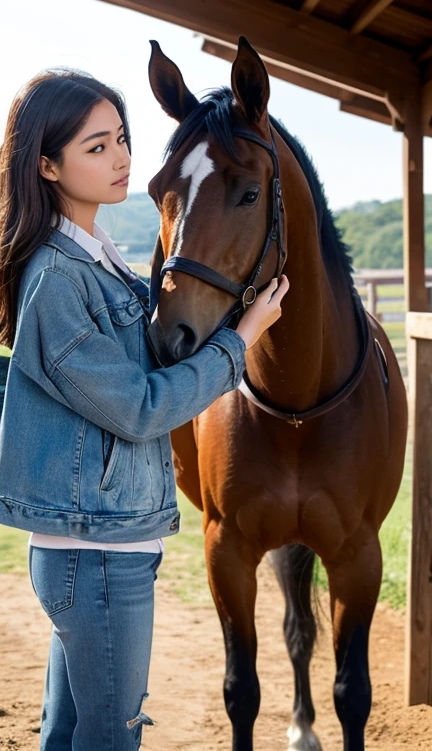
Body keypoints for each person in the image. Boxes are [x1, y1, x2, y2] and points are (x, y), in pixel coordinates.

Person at [0, 68, 289, 751]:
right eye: (96, 147)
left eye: (123, 139)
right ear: (46, 164)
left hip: (101, 546)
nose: (122, 157)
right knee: (110, 737)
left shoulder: (101, 264)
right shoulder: (56, 280)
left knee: (70, 732)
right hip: (97, 554)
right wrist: (242, 342)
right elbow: (138, 407)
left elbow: (152, 353)